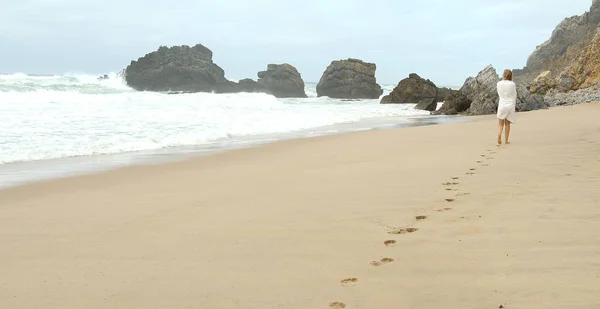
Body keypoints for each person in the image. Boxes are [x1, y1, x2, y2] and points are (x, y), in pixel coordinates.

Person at [496, 69, 517, 145]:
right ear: (510, 76)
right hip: (510, 105)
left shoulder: (499, 83)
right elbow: (514, 95)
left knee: (500, 124)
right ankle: (506, 140)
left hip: (502, 104)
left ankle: (499, 135)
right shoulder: (512, 84)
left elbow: (499, 94)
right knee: (507, 124)